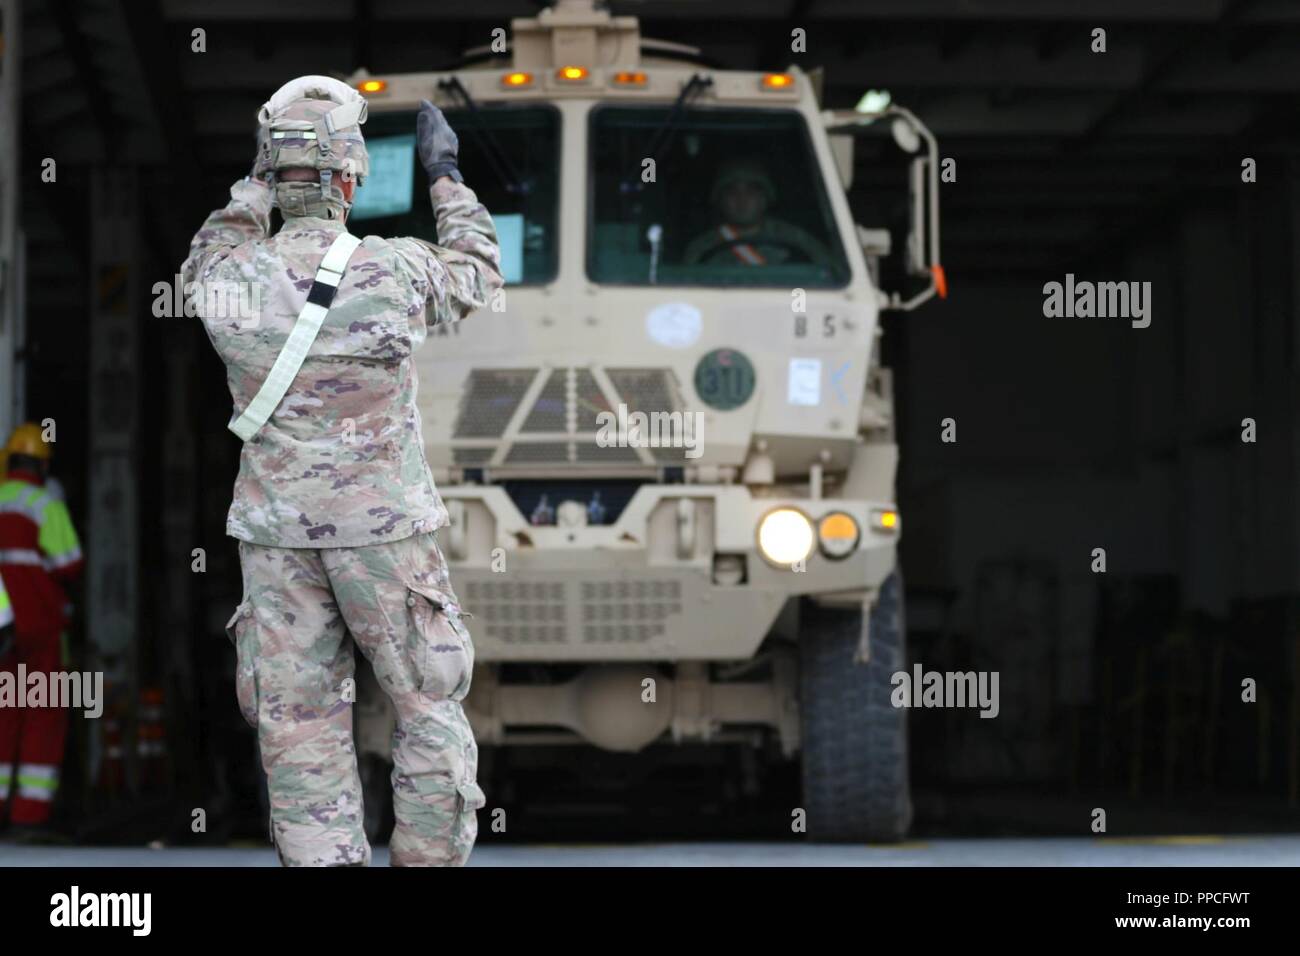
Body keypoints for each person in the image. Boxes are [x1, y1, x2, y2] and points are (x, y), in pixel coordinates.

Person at [182, 75, 503, 867]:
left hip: (278, 536)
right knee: (427, 703)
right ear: (352, 179)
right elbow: (480, 272)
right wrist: (446, 178)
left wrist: (260, 175)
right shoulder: (394, 271)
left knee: (298, 721)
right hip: (386, 533)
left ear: (272, 176)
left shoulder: (229, 282)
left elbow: (206, 254)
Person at [0, 423, 83, 833]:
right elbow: (70, 562)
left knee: (3, 713)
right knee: (43, 713)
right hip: (40, 627)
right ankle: (28, 815)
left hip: (3, 631)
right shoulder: (44, 503)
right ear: (42, 466)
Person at [683, 157, 832, 267]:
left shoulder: (797, 240)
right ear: (720, 200)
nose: (742, 200)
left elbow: (829, 276)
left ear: (765, 199)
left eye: (752, 192)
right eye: (732, 192)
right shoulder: (702, 248)